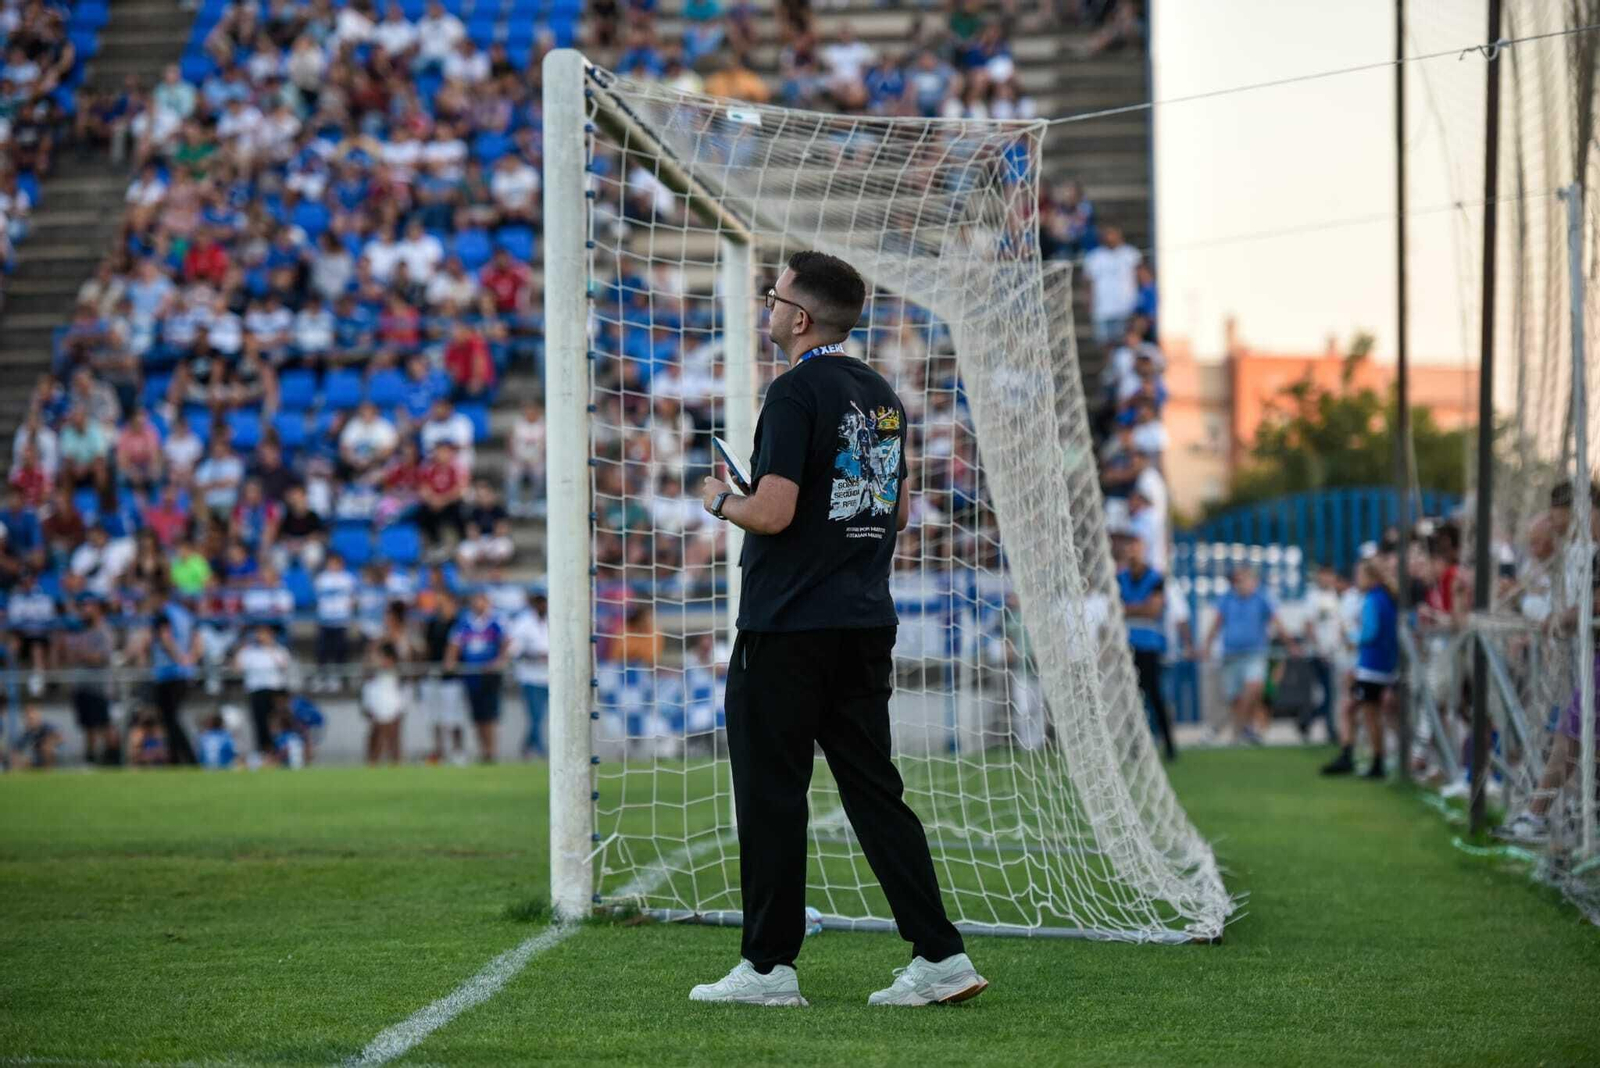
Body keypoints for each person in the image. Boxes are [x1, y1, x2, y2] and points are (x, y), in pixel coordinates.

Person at [691, 251, 984, 1008]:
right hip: (861, 619)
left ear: (799, 317)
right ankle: (941, 957)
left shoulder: (794, 391)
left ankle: (767, 970)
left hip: (788, 626)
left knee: (771, 795)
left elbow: (776, 511)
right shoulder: (881, 392)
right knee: (875, 793)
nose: (768, 307)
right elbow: (897, 508)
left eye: (773, 296)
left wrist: (723, 501)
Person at [1322, 559, 1401, 777]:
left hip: (1371, 666)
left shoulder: (1372, 600)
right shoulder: (1387, 599)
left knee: (1368, 714)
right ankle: (1370, 758)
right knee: (1366, 713)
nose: (1357, 579)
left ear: (1371, 577)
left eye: (1360, 575)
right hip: (1384, 665)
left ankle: (1374, 761)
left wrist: (1349, 636)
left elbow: (1369, 633)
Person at [1203, 565, 1291, 745]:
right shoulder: (1227, 599)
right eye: (1238, 580)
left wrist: (1291, 644)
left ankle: (1239, 730)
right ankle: (1246, 730)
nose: (1240, 584)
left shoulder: (1262, 598)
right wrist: (1206, 645)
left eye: (1244, 579)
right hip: (1231, 655)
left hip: (1255, 653)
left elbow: (1277, 621)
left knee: (1254, 687)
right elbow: (1217, 623)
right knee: (1235, 697)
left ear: (1254, 581)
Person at [1118, 535, 1176, 761]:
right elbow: (1115, 608)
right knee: (1130, 697)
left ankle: (1170, 745)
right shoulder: (1119, 577)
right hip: (1125, 644)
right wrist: (1138, 608)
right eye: (1129, 547)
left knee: (1154, 695)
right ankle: (1135, 747)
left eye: (1136, 547)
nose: (1132, 552)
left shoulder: (1155, 577)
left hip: (1149, 645)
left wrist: (1128, 609)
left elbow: (1152, 610)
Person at [444, 591, 508, 763]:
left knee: (489, 715)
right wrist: (451, 661)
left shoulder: (496, 621)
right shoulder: (465, 622)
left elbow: (506, 643)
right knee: (477, 715)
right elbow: (454, 644)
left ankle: (491, 751)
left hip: (489, 675)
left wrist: (499, 661)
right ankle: (484, 751)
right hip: (471, 674)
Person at [61, 596, 116, 764]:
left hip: (98, 687)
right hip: (81, 686)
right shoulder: (79, 630)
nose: (85, 610)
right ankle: (91, 761)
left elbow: (101, 657)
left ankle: (114, 760)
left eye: (88, 606)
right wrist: (83, 654)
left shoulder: (104, 630)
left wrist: (83, 655)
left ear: (97, 609)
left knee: (104, 725)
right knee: (88, 727)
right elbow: (69, 654)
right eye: (83, 607)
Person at [150, 590, 202, 764]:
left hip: (167, 672)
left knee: (169, 718)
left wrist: (179, 658)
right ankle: (175, 758)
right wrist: (191, 660)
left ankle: (188, 757)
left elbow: (165, 637)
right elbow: (197, 640)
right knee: (171, 718)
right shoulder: (185, 615)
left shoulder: (162, 614)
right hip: (185, 673)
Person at [422, 588, 470, 765]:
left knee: (454, 716)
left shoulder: (459, 623)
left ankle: (458, 750)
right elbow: (427, 648)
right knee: (435, 716)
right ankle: (438, 751)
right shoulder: (433, 623)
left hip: (452, 677)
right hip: (434, 674)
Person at [235, 624, 291, 756]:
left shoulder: (279, 650)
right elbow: (237, 668)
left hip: (275, 691)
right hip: (257, 691)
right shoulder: (249, 651)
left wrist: (270, 649)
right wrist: (241, 647)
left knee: (277, 723)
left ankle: (279, 750)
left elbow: (283, 666)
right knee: (259, 722)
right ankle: (263, 751)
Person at [509, 591, 549, 758]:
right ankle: (541, 749)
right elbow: (515, 650)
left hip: (548, 677)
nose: (542, 606)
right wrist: (535, 655)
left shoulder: (553, 621)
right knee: (535, 715)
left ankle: (526, 746)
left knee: (541, 715)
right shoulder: (523, 623)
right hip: (529, 676)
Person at [361, 641, 406, 765]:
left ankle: (396, 763)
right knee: (376, 735)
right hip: (377, 702)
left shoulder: (392, 667)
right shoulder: (372, 668)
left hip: (390, 703)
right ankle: (373, 762)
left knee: (392, 736)